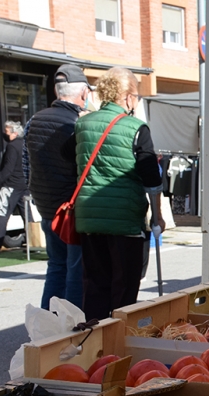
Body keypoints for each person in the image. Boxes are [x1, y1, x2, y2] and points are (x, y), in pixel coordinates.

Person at [74, 67, 165, 321]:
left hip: (90, 218)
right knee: (124, 288)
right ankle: (119, 343)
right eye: (135, 96)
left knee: (94, 285)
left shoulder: (82, 124)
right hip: (125, 219)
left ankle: (93, 342)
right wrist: (157, 217)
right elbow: (152, 179)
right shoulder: (136, 128)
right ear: (127, 97)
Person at [24, 64, 92, 309]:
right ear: (83, 93)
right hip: (70, 210)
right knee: (75, 269)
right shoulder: (78, 123)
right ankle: (70, 326)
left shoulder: (34, 120)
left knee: (55, 267)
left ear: (56, 91)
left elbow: (26, 163)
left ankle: (47, 323)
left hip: (46, 206)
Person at [0, 121, 28, 254]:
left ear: (14, 133)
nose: (4, 134)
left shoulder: (12, 147)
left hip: (11, 185)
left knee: (1, 214)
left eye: (6, 132)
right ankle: (33, 242)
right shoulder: (25, 145)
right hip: (24, 185)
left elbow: (8, 169)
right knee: (27, 215)